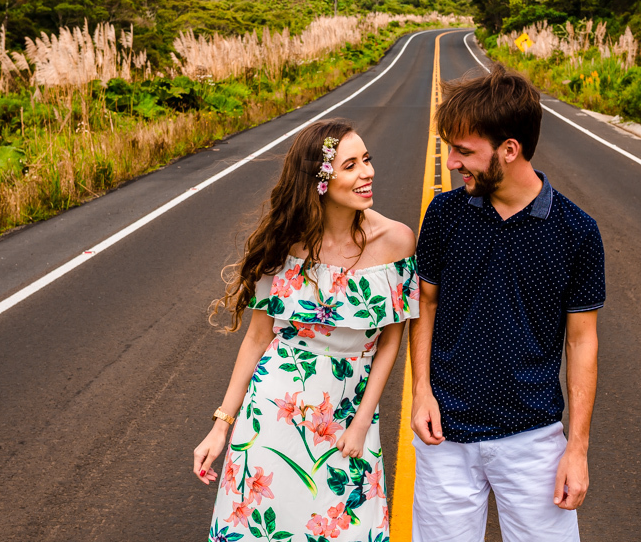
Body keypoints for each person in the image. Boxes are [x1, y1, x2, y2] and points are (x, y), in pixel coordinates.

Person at [195, 119, 417, 542]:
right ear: (320, 180)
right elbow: (259, 338)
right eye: (350, 165)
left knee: (350, 529)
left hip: (350, 413)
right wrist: (222, 424)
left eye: (366, 160)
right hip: (272, 412)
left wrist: (363, 419)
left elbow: (392, 339)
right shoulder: (286, 245)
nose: (367, 172)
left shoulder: (396, 240)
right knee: (262, 528)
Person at [409, 66, 604, 542]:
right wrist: (421, 391)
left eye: (464, 151)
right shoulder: (445, 215)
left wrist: (575, 450)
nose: (452, 163)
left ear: (509, 150)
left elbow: (582, 342)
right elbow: (426, 306)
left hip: (534, 441)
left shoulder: (577, 232)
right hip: (445, 437)